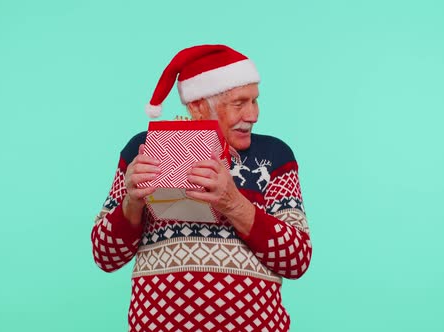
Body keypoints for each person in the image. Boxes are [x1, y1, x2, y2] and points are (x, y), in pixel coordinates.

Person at [91, 44, 312, 332]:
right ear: (197, 106)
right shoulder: (145, 150)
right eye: (239, 103)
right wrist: (132, 203)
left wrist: (232, 202)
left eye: (255, 101)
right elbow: (105, 256)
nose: (253, 114)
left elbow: (296, 260)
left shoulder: (275, 156)